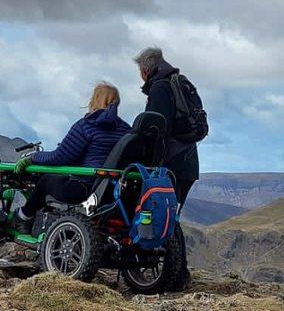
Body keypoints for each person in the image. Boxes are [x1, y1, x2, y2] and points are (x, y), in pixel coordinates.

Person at [13, 83, 130, 231]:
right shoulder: (126, 130)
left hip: (83, 189)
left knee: (46, 181)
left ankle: (23, 217)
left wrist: (32, 158)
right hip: (111, 193)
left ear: (95, 100)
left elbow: (59, 158)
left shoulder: (86, 126)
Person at [134, 47, 202, 207]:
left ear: (145, 71)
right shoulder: (181, 85)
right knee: (171, 213)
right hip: (189, 161)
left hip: (170, 164)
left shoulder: (160, 89)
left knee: (160, 213)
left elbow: (156, 129)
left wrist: (148, 161)